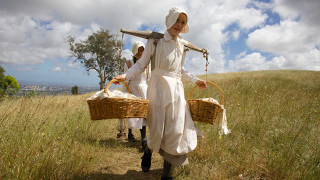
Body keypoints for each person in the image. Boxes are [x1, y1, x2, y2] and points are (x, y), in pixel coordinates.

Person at [114, 7, 207, 180]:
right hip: (157, 88)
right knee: (157, 130)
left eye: (183, 22)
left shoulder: (182, 45)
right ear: (170, 20)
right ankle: (148, 151)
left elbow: (180, 70)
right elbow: (141, 65)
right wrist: (125, 75)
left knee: (175, 130)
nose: (179, 25)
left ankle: (166, 174)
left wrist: (196, 80)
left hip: (176, 92)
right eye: (177, 20)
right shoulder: (155, 42)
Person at [123, 41, 149, 150]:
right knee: (132, 113)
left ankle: (143, 138)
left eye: (142, 49)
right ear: (134, 50)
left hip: (144, 90)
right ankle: (130, 133)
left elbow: (149, 78)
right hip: (132, 89)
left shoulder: (147, 63)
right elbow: (126, 78)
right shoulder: (129, 63)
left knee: (143, 114)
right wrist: (126, 92)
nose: (140, 52)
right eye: (139, 49)